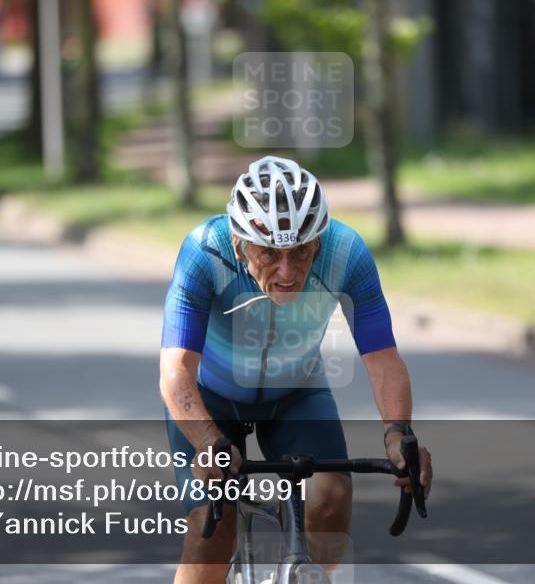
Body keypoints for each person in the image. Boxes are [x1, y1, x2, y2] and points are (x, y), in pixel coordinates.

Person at [160, 156, 433, 583]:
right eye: (269, 253)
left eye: (301, 252)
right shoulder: (204, 251)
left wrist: (399, 433)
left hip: (296, 393)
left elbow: (382, 358)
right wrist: (209, 442)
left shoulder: (347, 252)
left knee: (332, 498)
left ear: (319, 244)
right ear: (239, 244)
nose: (287, 272)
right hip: (209, 400)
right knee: (211, 532)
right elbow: (176, 371)